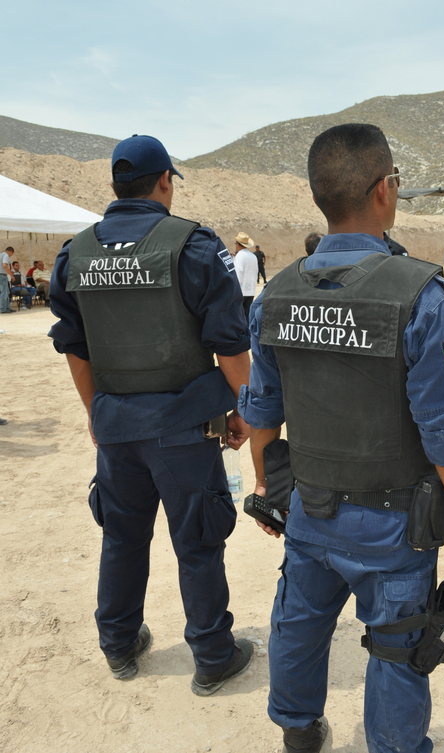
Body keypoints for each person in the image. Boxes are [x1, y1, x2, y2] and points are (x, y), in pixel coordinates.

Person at [239, 123, 444, 753]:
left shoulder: (275, 295)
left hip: (309, 507)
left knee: (299, 622)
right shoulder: (422, 297)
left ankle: (298, 730)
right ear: (385, 189)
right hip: (394, 525)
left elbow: (261, 409)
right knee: (398, 644)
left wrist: (269, 487)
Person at [48, 134, 254, 692]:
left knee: (121, 537)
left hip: (116, 427)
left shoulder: (75, 252)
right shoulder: (193, 246)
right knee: (198, 541)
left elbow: (73, 345)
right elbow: (230, 345)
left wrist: (96, 412)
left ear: (117, 186)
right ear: (165, 181)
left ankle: (118, 644)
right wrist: (245, 411)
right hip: (184, 428)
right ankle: (212, 655)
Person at [234, 231, 258, 322]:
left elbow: (238, 274)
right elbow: (256, 272)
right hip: (251, 290)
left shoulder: (240, 256)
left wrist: (235, 290)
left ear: (238, 244)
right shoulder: (253, 256)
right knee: (247, 316)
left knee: (238, 317)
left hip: (241, 291)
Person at [1, 247, 15, 314]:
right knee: (4, 293)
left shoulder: (1, 255)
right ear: (10, 252)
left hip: (2, 275)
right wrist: (11, 275)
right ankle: (3, 309)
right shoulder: (6, 255)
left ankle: (7, 308)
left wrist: (9, 271)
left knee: (6, 292)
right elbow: (4, 265)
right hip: (2, 276)